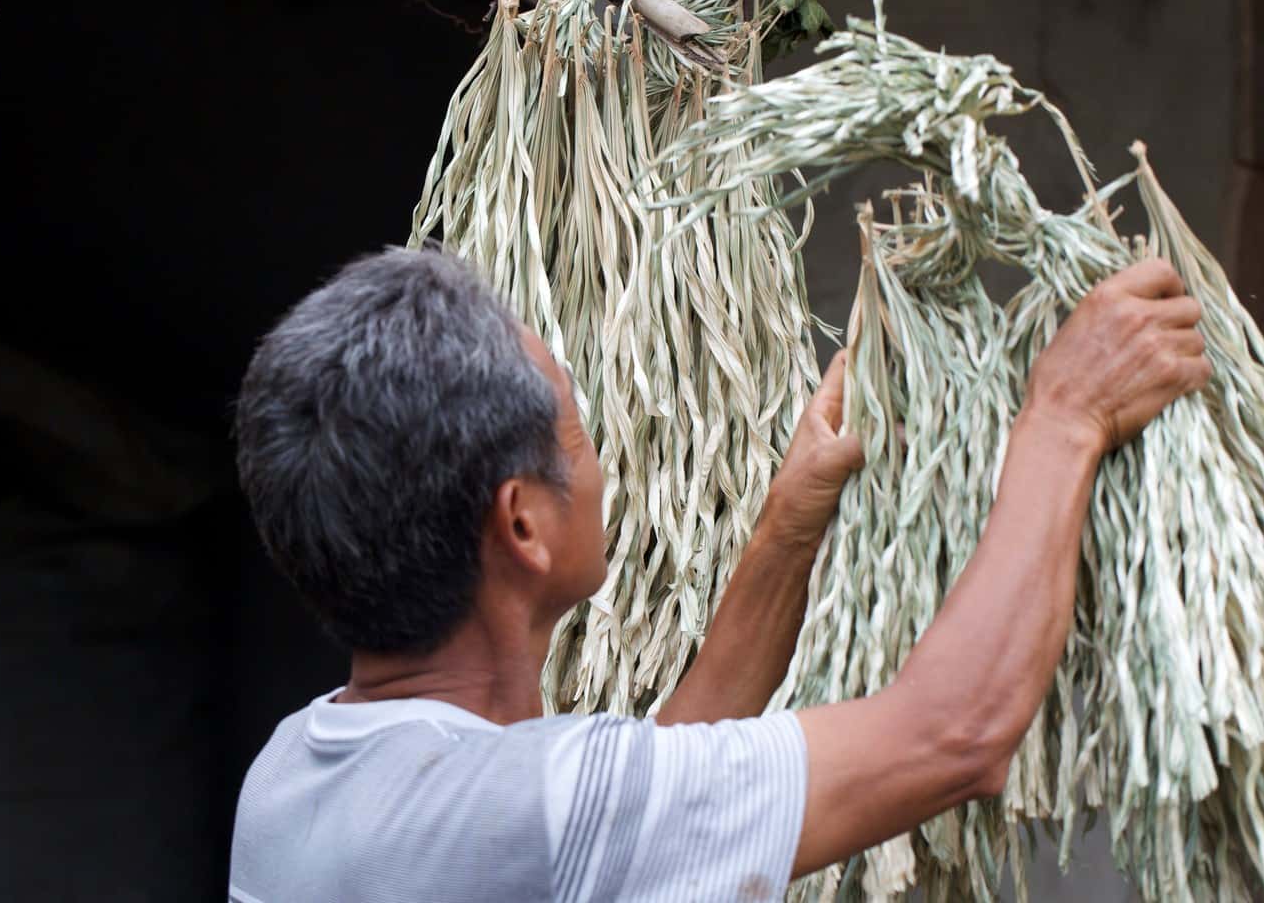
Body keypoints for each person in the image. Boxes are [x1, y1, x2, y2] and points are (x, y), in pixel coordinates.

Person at [228, 246, 1209, 902]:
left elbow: (640, 814)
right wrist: (1065, 418)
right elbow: (952, 735)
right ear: (522, 524)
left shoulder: (288, 783)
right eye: (575, 428)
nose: (598, 456)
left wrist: (789, 526)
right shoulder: (533, 805)